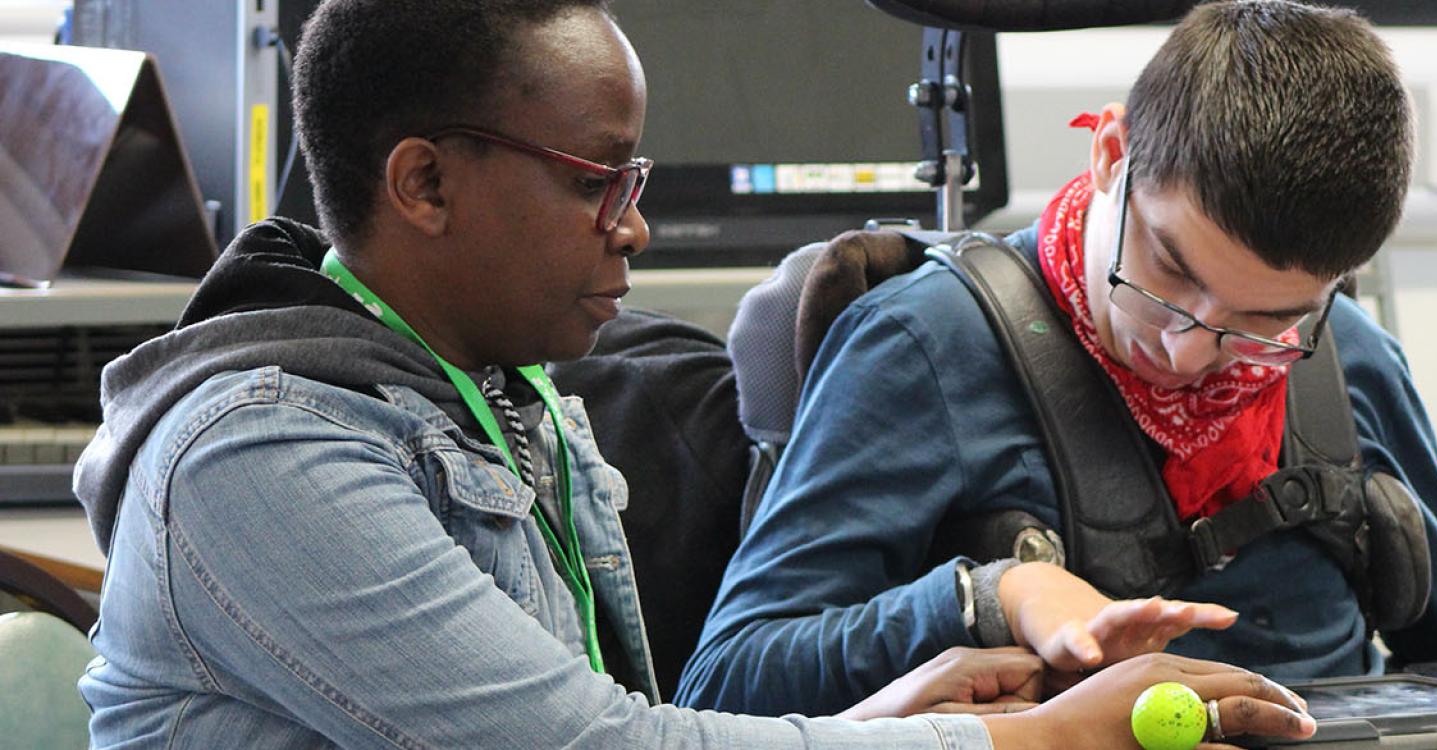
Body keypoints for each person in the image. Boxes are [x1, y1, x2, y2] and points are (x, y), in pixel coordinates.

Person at [70, 0, 1318, 746]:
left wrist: (860, 727)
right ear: (425, 183)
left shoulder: (510, 397)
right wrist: (1020, 738)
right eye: (597, 180)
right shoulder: (260, 454)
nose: (634, 226)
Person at [680, 0, 1437, 718]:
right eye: (1169, 271)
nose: (1190, 345)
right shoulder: (923, 345)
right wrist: (982, 600)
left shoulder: (1347, 361)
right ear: (1110, 155)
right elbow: (724, 682)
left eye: (1261, 320)